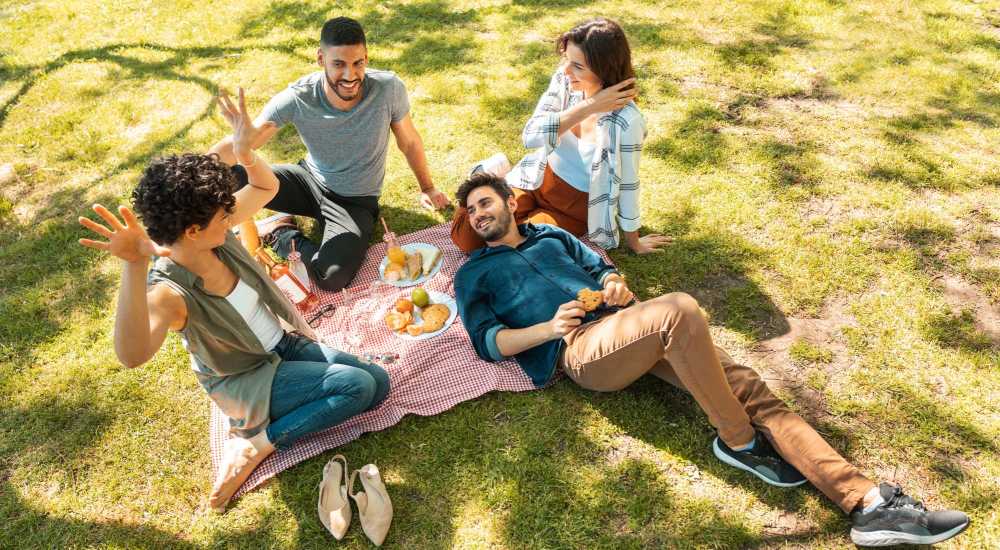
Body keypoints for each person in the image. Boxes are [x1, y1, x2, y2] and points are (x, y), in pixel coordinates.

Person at [452, 173, 969, 547]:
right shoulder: (473, 275)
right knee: (678, 309)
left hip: (629, 324)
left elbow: (603, 269)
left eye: (484, 202)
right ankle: (740, 441)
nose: (479, 215)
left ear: (507, 202)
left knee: (748, 385)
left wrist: (612, 283)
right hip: (581, 352)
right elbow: (489, 343)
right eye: (472, 212)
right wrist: (548, 328)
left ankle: (868, 504)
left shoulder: (551, 235)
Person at [78, 88, 390, 511]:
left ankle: (270, 422)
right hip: (246, 377)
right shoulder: (170, 291)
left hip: (282, 344)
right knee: (354, 387)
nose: (233, 219)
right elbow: (131, 355)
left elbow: (266, 184)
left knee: (379, 385)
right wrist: (133, 265)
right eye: (223, 215)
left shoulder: (214, 234)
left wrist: (244, 153)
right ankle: (258, 442)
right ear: (191, 230)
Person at [209, 16, 450, 292]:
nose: (350, 76)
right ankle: (255, 225)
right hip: (308, 181)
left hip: (354, 202)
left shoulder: (388, 89)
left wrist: (428, 187)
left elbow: (409, 142)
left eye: (358, 63)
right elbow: (246, 142)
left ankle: (282, 233)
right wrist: (188, 176)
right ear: (321, 58)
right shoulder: (299, 96)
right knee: (225, 175)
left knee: (331, 277)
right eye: (339, 64)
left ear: (366, 57)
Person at [450, 18, 670, 254]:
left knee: (515, 247)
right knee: (467, 238)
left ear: (603, 68)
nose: (566, 70)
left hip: (573, 207)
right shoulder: (566, 81)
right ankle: (483, 176)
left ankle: (491, 182)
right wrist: (590, 105)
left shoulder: (627, 121)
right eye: (567, 59)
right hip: (536, 177)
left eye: (577, 65)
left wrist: (634, 242)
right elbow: (531, 136)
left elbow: (628, 184)